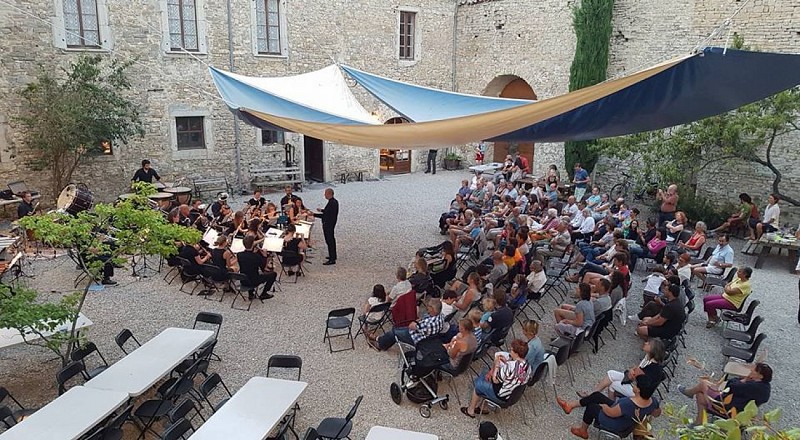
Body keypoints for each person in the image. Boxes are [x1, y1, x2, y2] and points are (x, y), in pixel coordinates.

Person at [558, 375, 661, 439]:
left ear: (638, 390)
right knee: (597, 395)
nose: (633, 385)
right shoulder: (653, 401)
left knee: (592, 407)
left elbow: (611, 413)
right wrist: (646, 412)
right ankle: (570, 405)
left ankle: (583, 431)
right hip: (627, 421)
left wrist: (603, 407)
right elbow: (657, 413)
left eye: (635, 384)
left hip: (617, 423)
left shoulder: (628, 404)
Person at [678, 363, 772, 425]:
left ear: (760, 376)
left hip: (728, 408)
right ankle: (699, 422)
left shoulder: (751, 386)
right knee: (700, 396)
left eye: (754, 371)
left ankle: (689, 393)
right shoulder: (765, 387)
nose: (751, 371)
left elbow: (730, 385)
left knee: (703, 384)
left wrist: (743, 380)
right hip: (739, 408)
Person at [576, 338, 666, 401]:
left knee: (613, 384)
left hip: (637, 390)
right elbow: (637, 369)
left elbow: (644, 384)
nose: (646, 343)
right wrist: (632, 371)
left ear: (653, 349)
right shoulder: (647, 357)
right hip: (633, 380)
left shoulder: (654, 368)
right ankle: (592, 395)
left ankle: (611, 404)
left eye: (648, 343)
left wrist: (635, 375)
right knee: (611, 373)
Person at [461, 339, 531, 418]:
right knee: (487, 376)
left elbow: (495, 380)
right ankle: (483, 407)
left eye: (512, 350)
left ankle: (470, 410)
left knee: (479, 383)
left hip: (501, 395)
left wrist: (497, 365)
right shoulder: (528, 366)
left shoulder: (510, 366)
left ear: (516, 353)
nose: (510, 351)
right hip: (513, 395)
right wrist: (506, 363)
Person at [235, 235, 277, 300]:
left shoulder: (239, 254)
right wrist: (265, 256)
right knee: (273, 274)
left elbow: (248, 259)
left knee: (248, 271)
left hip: (243, 280)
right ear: (252, 244)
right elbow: (263, 268)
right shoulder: (255, 256)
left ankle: (251, 294)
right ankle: (264, 294)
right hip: (254, 281)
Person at [314, 188, 339, 265]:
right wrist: (321, 210)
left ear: (329, 194)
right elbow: (328, 211)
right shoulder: (334, 202)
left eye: (325, 193)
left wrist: (314, 214)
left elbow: (326, 215)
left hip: (328, 224)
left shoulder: (332, 203)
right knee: (331, 239)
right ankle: (333, 255)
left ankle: (332, 259)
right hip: (331, 223)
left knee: (329, 240)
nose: (324, 195)